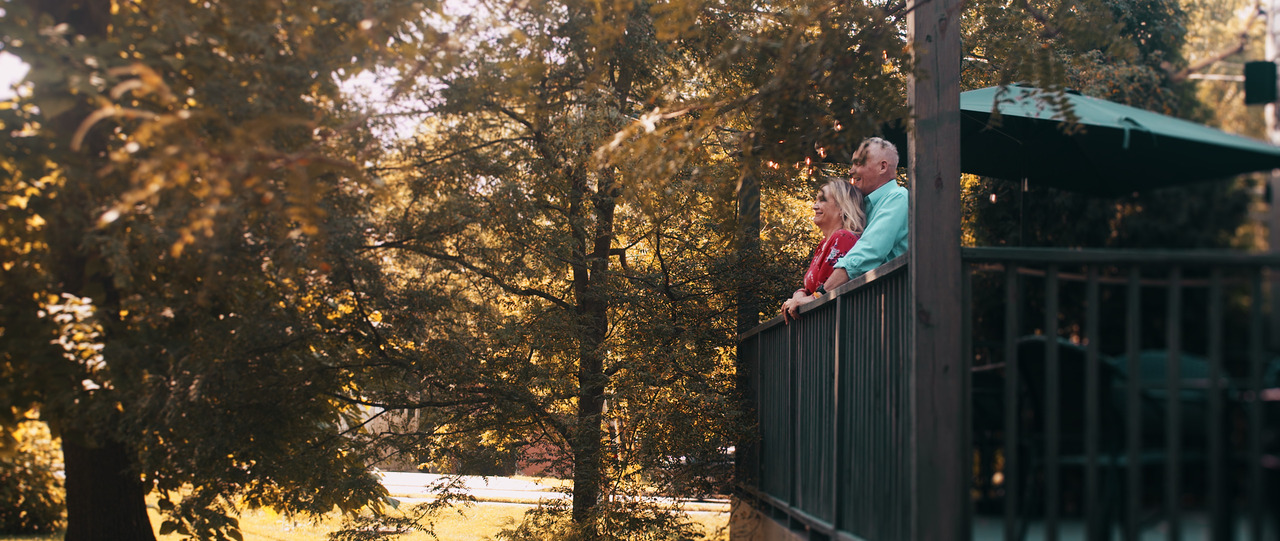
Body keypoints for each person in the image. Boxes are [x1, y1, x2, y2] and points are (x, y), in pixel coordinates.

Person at [822, 137, 909, 292]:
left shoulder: (899, 197)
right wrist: (802, 293)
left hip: (894, 302)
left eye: (858, 163)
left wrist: (819, 294)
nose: (851, 170)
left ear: (882, 167)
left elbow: (868, 252)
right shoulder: (861, 206)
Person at [782, 178, 866, 322]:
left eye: (822, 200)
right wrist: (798, 295)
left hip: (837, 323)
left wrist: (802, 298)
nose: (815, 206)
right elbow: (811, 289)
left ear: (842, 208)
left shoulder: (843, 238)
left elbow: (824, 290)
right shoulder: (823, 245)